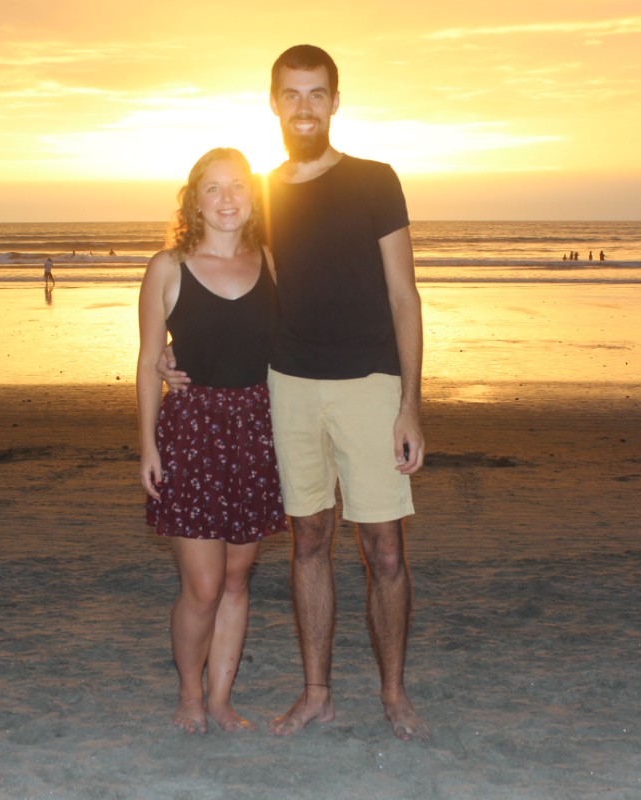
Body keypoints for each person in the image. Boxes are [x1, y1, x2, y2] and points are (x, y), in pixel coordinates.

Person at [163, 45, 428, 741]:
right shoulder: (264, 195)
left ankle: (394, 694)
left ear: (335, 102)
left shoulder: (376, 181)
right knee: (308, 539)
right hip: (289, 386)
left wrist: (410, 404)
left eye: (317, 94)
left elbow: (404, 296)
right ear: (273, 103)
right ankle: (317, 693)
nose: (304, 107)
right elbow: (229, 278)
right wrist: (171, 351)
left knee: (386, 549)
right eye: (291, 94)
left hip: (371, 383)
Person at [137, 148, 287, 735]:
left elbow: (295, 351)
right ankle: (189, 695)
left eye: (238, 187)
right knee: (200, 586)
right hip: (192, 430)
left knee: (234, 580)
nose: (227, 199)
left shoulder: (273, 262)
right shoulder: (168, 267)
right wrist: (147, 445)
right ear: (194, 199)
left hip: (257, 428)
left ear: (253, 196)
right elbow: (150, 361)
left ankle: (221, 701)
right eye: (213, 188)